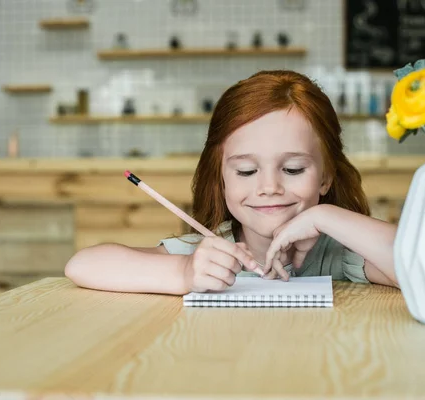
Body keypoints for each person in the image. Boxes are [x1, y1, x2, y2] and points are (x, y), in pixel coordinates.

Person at [64, 70, 399, 294]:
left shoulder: (338, 253)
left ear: (325, 176)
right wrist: (184, 273)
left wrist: (328, 217)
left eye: (294, 169)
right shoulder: (208, 253)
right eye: (246, 172)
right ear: (222, 177)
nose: (269, 187)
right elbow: (83, 265)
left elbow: (424, 263)